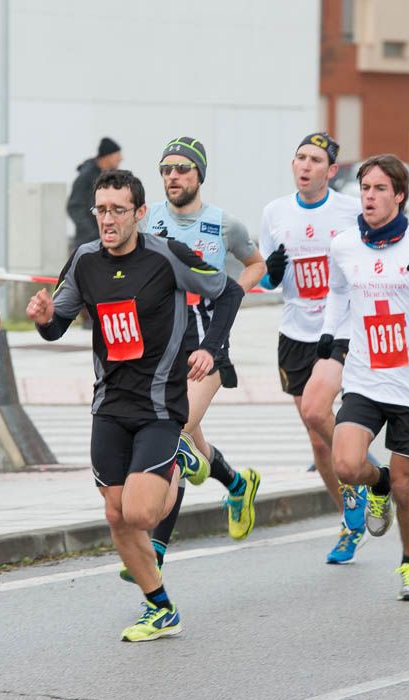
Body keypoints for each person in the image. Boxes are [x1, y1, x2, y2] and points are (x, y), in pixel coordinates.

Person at [27, 169, 244, 642]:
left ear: (139, 214)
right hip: (109, 405)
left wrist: (214, 348)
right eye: (101, 210)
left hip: (160, 406)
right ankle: (160, 607)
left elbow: (227, 289)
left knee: (141, 514)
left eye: (118, 210)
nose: (107, 219)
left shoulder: (167, 257)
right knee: (115, 515)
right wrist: (45, 319)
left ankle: (181, 461)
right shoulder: (84, 260)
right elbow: (57, 323)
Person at [323, 154, 409, 601]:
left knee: (407, 488)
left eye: (380, 189)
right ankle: (374, 482)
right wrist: (330, 336)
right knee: (345, 463)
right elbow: (338, 292)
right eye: (365, 188)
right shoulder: (345, 245)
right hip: (365, 377)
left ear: (399, 196)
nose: (369, 196)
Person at [136, 136, 265, 575]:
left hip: (207, 345)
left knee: (174, 428)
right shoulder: (147, 218)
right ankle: (236, 482)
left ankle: (155, 550)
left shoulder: (224, 224)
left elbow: (256, 263)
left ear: (199, 176)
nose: (173, 177)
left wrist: (231, 294)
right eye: (166, 169)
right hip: (160, 347)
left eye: (182, 169)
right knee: (188, 441)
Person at [258, 132, 369, 565]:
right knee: (318, 444)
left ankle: (365, 467)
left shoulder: (349, 210)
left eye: (315, 160)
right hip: (295, 333)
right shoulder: (275, 212)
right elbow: (267, 280)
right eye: (300, 158)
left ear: (331, 171)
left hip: (340, 329)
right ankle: (350, 520)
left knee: (315, 412)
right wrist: (270, 272)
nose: (305, 166)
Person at [67, 137, 123, 251]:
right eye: (117, 155)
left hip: (104, 238)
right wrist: (92, 232)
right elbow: (74, 206)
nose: (121, 158)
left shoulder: (108, 175)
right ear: (107, 156)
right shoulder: (86, 176)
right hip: (88, 241)